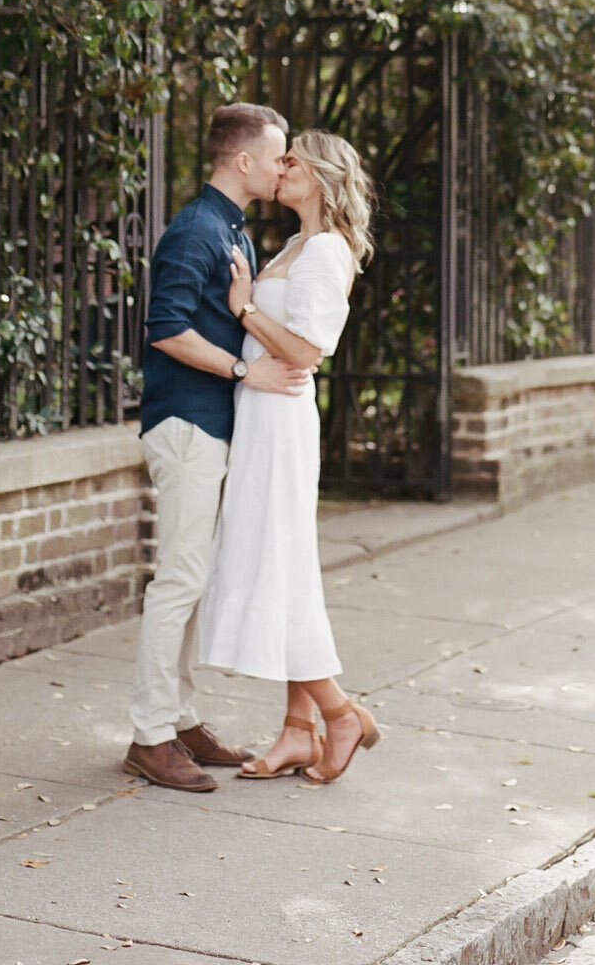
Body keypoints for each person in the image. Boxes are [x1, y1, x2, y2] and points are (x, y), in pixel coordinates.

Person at [124, 102, 309, 794]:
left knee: (194, 579)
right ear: (243, 161)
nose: (283, 164)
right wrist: (244, 370)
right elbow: (165, 329)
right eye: (277, 154)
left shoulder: (230, 226)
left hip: (213, 424)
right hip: (186, 424)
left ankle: (180, 716)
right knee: (177, 579)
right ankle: (149, 735)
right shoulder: (196, 229)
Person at [198, 129, 381, 784]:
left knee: (275, 567)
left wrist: (245, 311)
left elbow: (307, 351)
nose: (280, 168)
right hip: (263, 418)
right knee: (288, 570)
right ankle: (298, 731)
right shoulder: (299, 245)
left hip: (281, 422)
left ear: (323, 175)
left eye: (292, 160)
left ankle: (339, 713)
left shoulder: (327, 251)